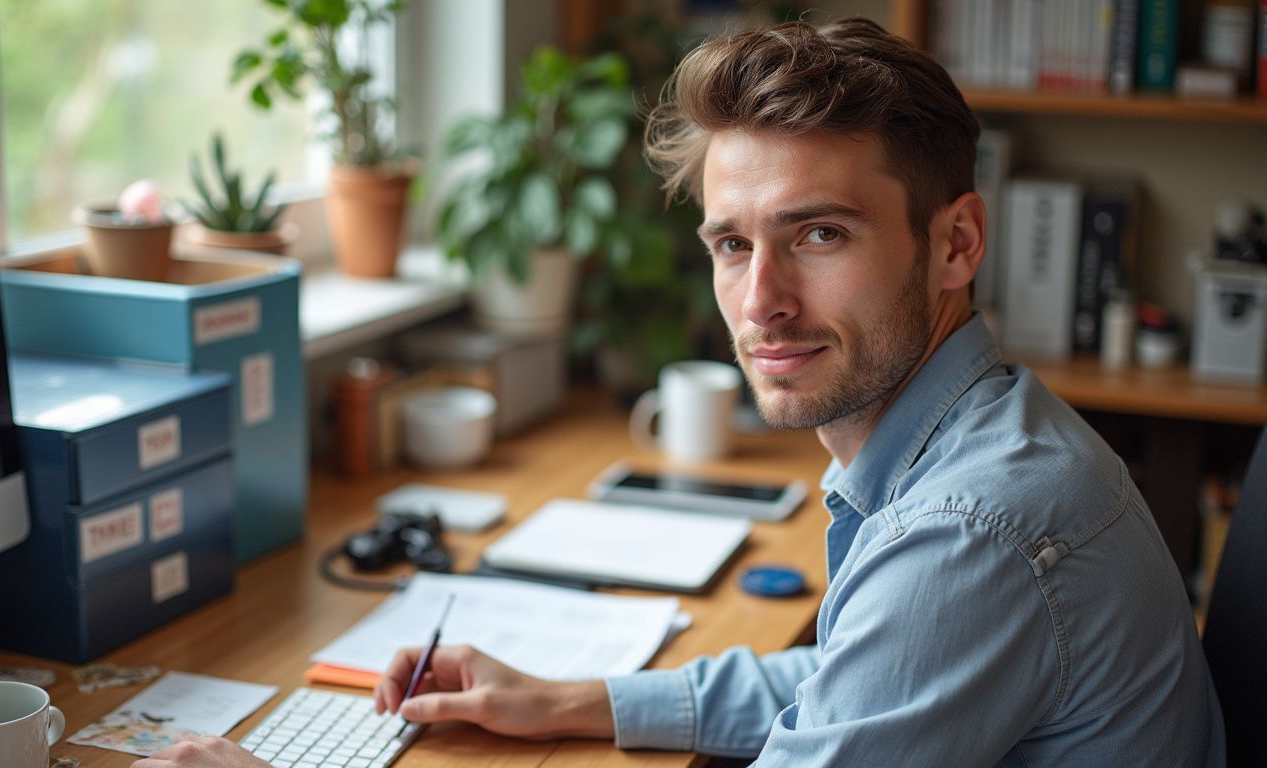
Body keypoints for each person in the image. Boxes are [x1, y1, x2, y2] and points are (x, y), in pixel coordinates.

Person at [132, 17, 1225, 768]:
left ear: (957, 245)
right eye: (733, 242)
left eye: (820, 235)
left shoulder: (971, 530)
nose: (763, 301)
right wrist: (566, 701)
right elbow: (843, 682)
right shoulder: (979, 438)